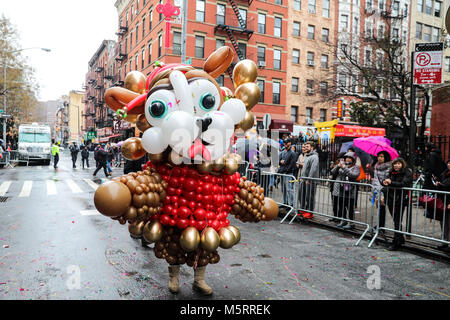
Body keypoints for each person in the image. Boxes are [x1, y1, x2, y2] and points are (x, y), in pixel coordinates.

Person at [382, 158, 413, 251]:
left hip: (400, 199)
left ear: (402, 164)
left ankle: (396, 242)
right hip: (390, 199)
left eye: (398, 164)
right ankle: (400, 238)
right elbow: (385, 182)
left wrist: (391, 183)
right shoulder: (391, 172)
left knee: (397, 220)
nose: (396, 165)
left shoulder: (407, 172)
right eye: (395, 164)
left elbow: (404, 184)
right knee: (395, 219)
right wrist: (384, 182)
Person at [331, 151, 360, 230]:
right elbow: (333, 172)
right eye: (346, 158)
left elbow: (353, 175)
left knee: (350, 207)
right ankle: (343, 220)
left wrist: (344, 167)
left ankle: (351, 223)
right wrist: (338, 166)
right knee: (341, 206)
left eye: (349, 158)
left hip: (350, 190)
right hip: (341, 189)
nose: (347, 160)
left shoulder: (356, 167)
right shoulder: (342, 165)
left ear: (353, 160)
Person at [368, 151, 392, 230]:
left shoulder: (388, 167)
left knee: (382, 208)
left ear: (385, 158)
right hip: (376, 189)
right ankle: (379, 225)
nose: (380, 158)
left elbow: (387, 178)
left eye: (382, 156)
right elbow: (375, 179)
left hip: (383, 190)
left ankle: (381, 226)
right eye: (379, 156)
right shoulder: (376, 166)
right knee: (379, 208)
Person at [298, 141, 320, 219]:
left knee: (310, 197)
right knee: (303, 195)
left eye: (307, 146)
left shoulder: (315, 157)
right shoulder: (308, 156)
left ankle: (310, 212)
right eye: (305, 146)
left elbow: (313, 169)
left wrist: (309, 179)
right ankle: (303, 210)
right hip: (304, 180)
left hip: (310, 181)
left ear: (312, 148)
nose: (306, 148)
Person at [435, 159, 450, 252]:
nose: (449, 164)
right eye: (448, 162)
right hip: (444, 201)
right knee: (444, 222)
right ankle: (445, 242)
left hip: (448, 202)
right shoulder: (445, 173)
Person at [278, 138, 297, 207]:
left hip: (288, 173)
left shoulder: (292, 153)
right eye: (284, 142)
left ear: (290, 143)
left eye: (287, 142)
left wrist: (285, 165)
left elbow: (292, 164)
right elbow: (278, 161)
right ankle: (285, 202)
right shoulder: (283, 152)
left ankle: (292, 204)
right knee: (283, 189)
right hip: (283, 172)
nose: (285, 144)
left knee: (289, 189)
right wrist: (280, 162)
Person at [329, 152, 346, 222]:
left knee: (340, 202)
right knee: (334, 201)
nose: (340, 160)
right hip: (334, 184)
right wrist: (337, 166)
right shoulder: (337, 164)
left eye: (341, 158)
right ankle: (335, 216)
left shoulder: (346, 165)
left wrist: (342, 166)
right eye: (339, 158)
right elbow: (332, 172)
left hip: (341, 186)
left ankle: (340, 217)